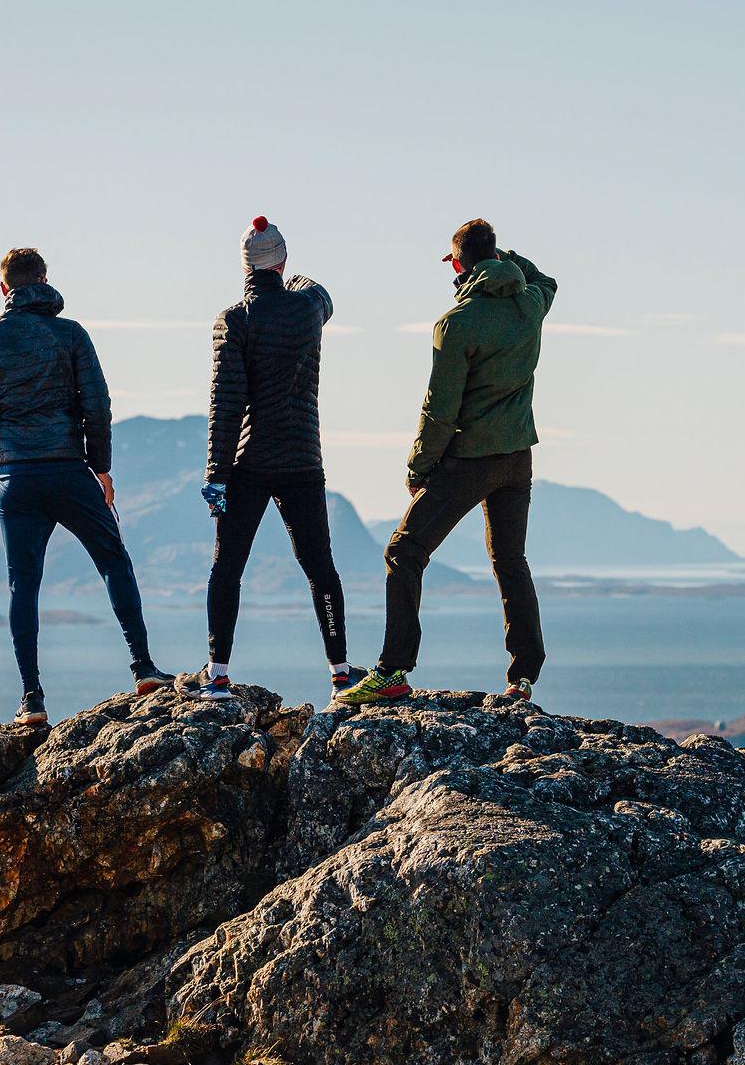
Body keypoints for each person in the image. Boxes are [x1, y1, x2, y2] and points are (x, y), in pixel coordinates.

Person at [337, 220, 555, 705]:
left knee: (404, 551)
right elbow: (546, 280)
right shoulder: (530, 305)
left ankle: (393, 670)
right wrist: (505, 260)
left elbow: (440, 408)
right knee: (510, 560)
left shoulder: (456, 324)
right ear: (494, 256)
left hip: (469, 459)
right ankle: (522, 678)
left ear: (457, 265)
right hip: (517, 457)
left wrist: (418, 467)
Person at [0, 248, 175, 726]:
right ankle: (142, 667)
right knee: (113, 560)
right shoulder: (71, 335)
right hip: (68, 468)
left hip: (17, 478)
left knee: (23, 584)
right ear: (43, 279)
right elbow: (97, 407)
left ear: (4, 289)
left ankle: (31, 699)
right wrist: (101, 468)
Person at [193, 216, 359, 701]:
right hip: (303, 460)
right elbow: (320, 291)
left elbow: (225, 404)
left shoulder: (235, 319)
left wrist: (215, 476)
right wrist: (291, 277)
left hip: (250, 462)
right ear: (282, 261)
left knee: (228, 568)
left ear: (243, 266)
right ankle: (341, 672)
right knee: (320, 567)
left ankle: (218, 674)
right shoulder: (307, 309)